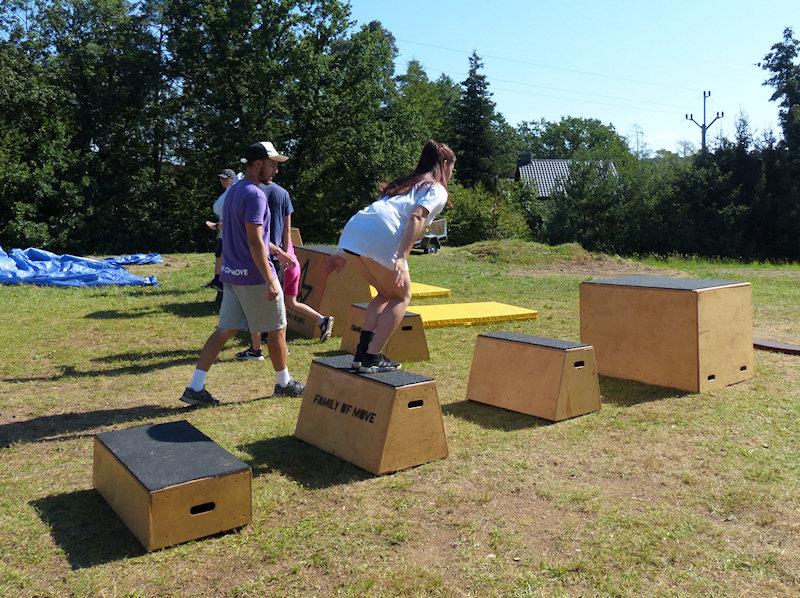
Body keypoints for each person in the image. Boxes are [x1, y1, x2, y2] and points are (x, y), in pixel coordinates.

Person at [181, 141, 306, 406]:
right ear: (258, 164)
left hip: (231, 274)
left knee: (224, 330)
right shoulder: (256, 196)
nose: (276, 171)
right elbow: (255, 241)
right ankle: (284, 383)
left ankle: (195, 387)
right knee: (278, 327)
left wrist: (278, 251)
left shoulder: (234, 191)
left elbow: (249, 235)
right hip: (254, 276)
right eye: (272, 165)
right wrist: (270, 279)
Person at [325, 139, 455, 373]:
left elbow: (376, 215)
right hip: (382, 234)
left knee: (385, 294)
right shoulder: (436, 189)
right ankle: (372, 356)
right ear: (444, 164)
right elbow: (417, 216)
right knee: (401, 297)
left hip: (354, 229)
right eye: (452, 166)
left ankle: (361, 354)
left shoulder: (404, 183)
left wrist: (341, 253)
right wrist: (402, 258)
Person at [236, 180, 334, 360]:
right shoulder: (283, 193)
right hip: (290, 260)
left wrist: (278, 255)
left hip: (273, 258)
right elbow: (287, 231)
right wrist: (287, 254)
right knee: (289, 303)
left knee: (263, 304)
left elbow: (255, 235)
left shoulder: (253, 192)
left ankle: (260, 348)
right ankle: (321, 320)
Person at [205, 168, 236, 291]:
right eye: (221, 179)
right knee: (219, 253)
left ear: (232, 179)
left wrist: (217, 226)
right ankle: (217, 279)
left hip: (229, 230)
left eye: (225, 179)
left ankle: (222, 281)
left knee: (224, 254)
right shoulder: (227, 192)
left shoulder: (233, 193)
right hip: (223, 229)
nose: (222, 181)